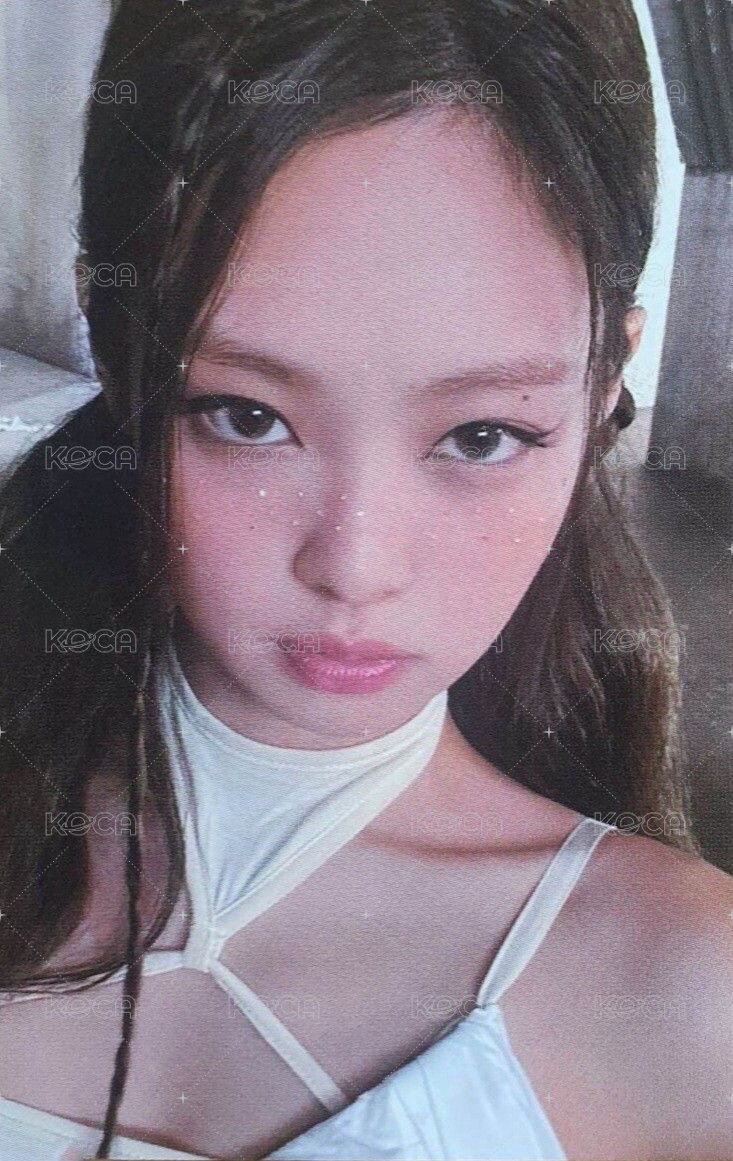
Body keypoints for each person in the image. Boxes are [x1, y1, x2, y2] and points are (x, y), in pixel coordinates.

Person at [0, 1, 730, 1159]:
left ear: (601, 390)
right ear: (119, 351)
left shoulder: (686, 998)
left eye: (482, 435)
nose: (353, 565)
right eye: (248, 416)